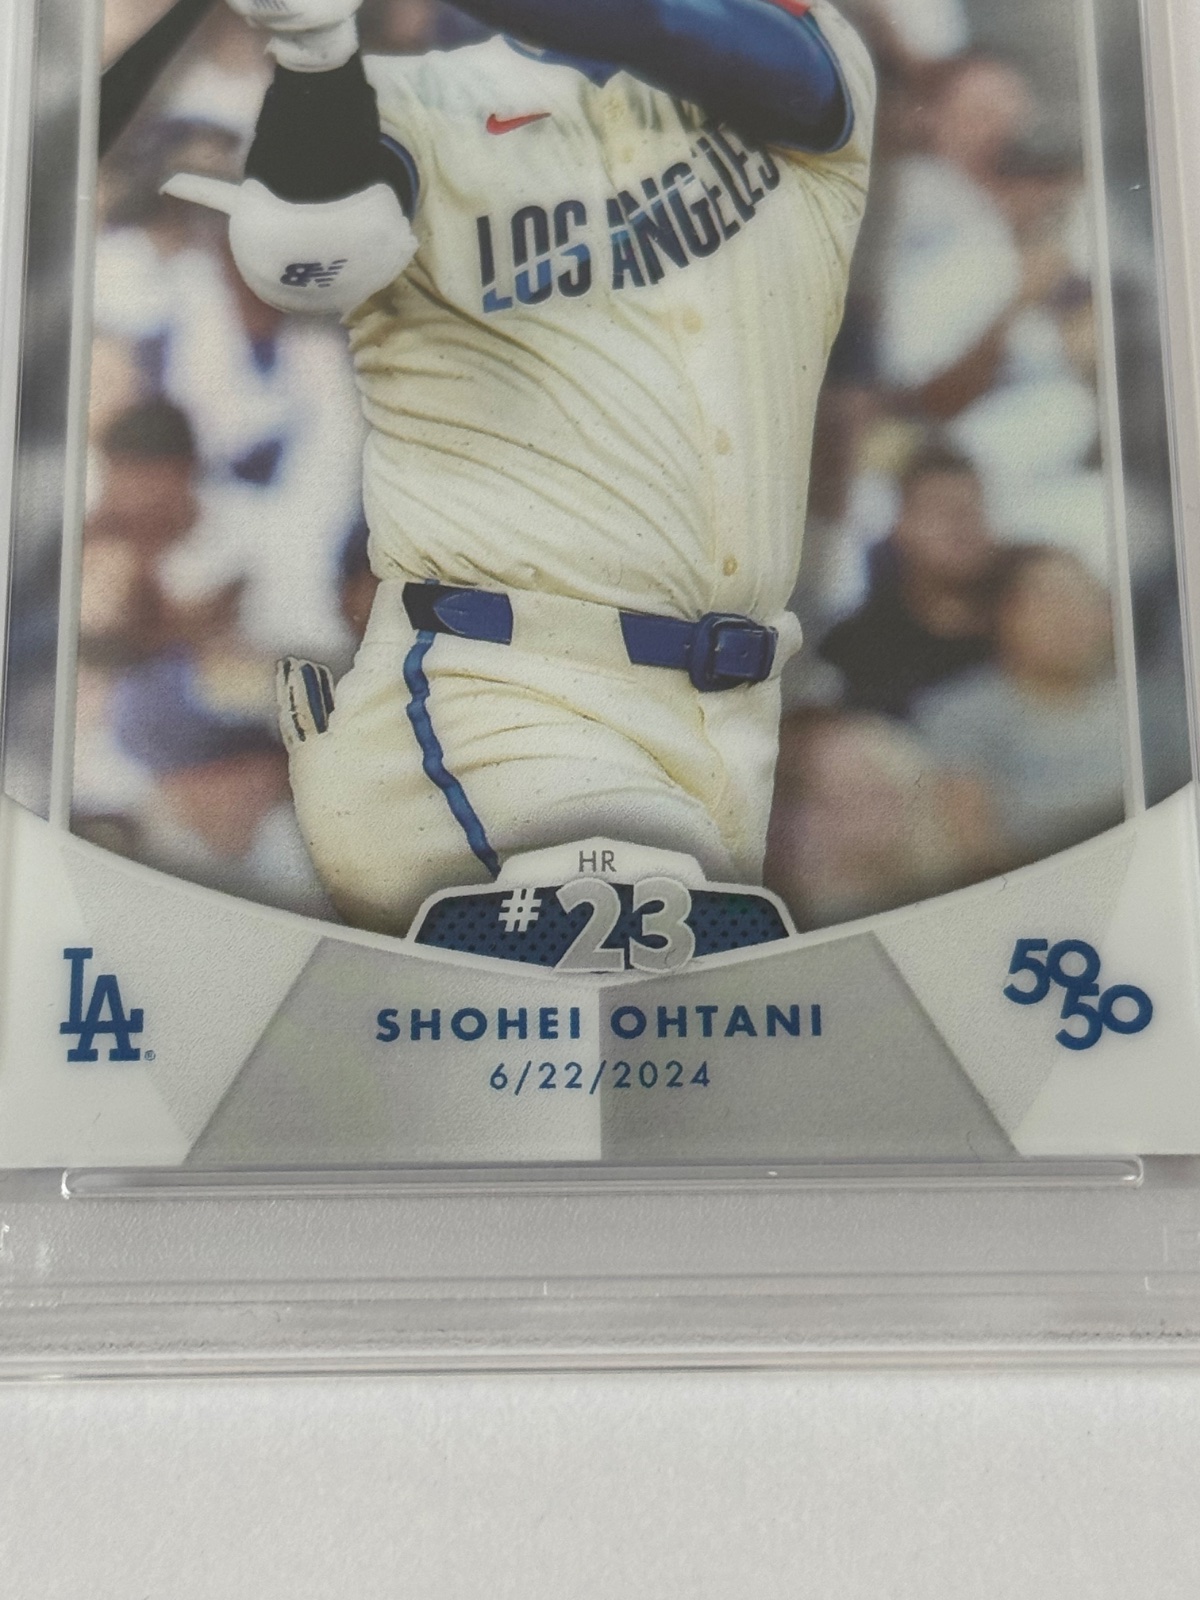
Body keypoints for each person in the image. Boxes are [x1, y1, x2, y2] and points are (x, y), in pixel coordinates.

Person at [171, 0, 876, 933]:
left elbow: (673, 30)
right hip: (496, 699)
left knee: (682, 1018)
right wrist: (316, 53)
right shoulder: (417, 102)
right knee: (657, 987)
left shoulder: (807, 68)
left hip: (729, 726)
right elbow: (302, 250)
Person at [912, 544, 1126, 865]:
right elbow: (974, 847)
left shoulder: (1141, 698)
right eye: (1052, 599)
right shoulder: (960, 714)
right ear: (1004, 615)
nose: (1073, 615)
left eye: (1087, 598)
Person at [818, 442, 997, 717]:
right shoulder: (855, 645)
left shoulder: (1016, 635)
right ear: (901, 525)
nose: (961, 525)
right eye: (940, 510)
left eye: (971, 509)